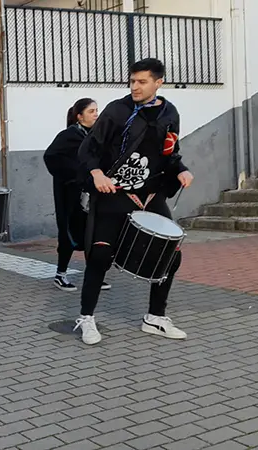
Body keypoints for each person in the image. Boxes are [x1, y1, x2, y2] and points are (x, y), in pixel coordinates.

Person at [74, 58, 194, 345]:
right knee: (100, 255)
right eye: (132, 81)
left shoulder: (169, 113)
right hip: (115, 194)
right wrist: (96, 173)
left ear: (158, 82)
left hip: (150, 196)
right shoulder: (117, 110)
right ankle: (86, 317)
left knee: (171, 256)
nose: (135, 87)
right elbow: (88, 149)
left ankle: (155, 317)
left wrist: (181, 169)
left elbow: (171, 152)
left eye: (142, 81)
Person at [44, 99, 113, 293]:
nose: (96, 114)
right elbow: (51, 157)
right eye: (91, 111)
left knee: (92, 233)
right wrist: (76, 174)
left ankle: (93, 276)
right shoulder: (69, 135)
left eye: (97, 110)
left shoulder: (96, 136)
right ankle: (60, 274)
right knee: (68, 233)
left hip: (92, 193)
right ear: (79, 116)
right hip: (70, 195)